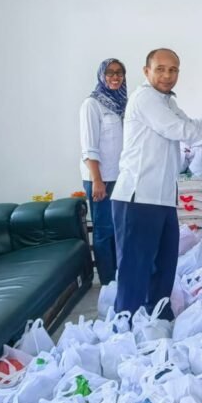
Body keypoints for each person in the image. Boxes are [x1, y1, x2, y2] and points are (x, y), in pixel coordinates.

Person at [111, 48, 202, 316]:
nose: (167, 75)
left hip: (162, 197)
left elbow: (190, 123)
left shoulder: (166, 101)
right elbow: (176, 129)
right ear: (146, 71)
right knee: (136, 268)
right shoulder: (145, 98)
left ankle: (157, 318)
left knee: (164, 264)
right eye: (160, 69)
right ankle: (126, 324)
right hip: (138, 197)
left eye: (173, 70)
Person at [79, 58, 127, 285]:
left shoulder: (123, 103)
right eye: (110, 73)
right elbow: (89, 147)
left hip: (120, 176)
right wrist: (97, 180)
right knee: (104, 229)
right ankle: (108, 282)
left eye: (119, 72)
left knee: (119, 229)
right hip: (100, 178)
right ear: (101, 75)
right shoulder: (92, 104)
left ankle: (120, 277)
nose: (115, 77)